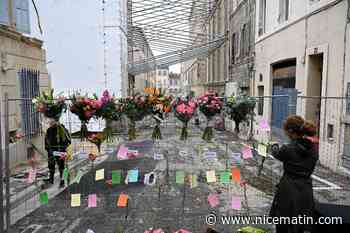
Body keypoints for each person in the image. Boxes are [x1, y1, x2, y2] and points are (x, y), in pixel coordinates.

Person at [269, 115, 319, 233]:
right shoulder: (313, 149)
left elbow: (276, 153)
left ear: (291, 132)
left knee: (283, 224)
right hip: (306, 189)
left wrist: (274, 145)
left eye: (286, 131)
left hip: (288, 189)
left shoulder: (288, 149)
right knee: (301, 224)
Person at [45, 119, 71, 187]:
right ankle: (51, 179)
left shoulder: (62, 129)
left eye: (52, 122)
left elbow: (68, 140)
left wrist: (63, 149)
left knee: (61, 166)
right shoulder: (49, 130)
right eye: (50, 122)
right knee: (51, 165)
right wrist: (48, 149)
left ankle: (62, 181)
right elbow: (46, 140)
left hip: (60, 151)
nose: (50, 124)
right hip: (51, 151)